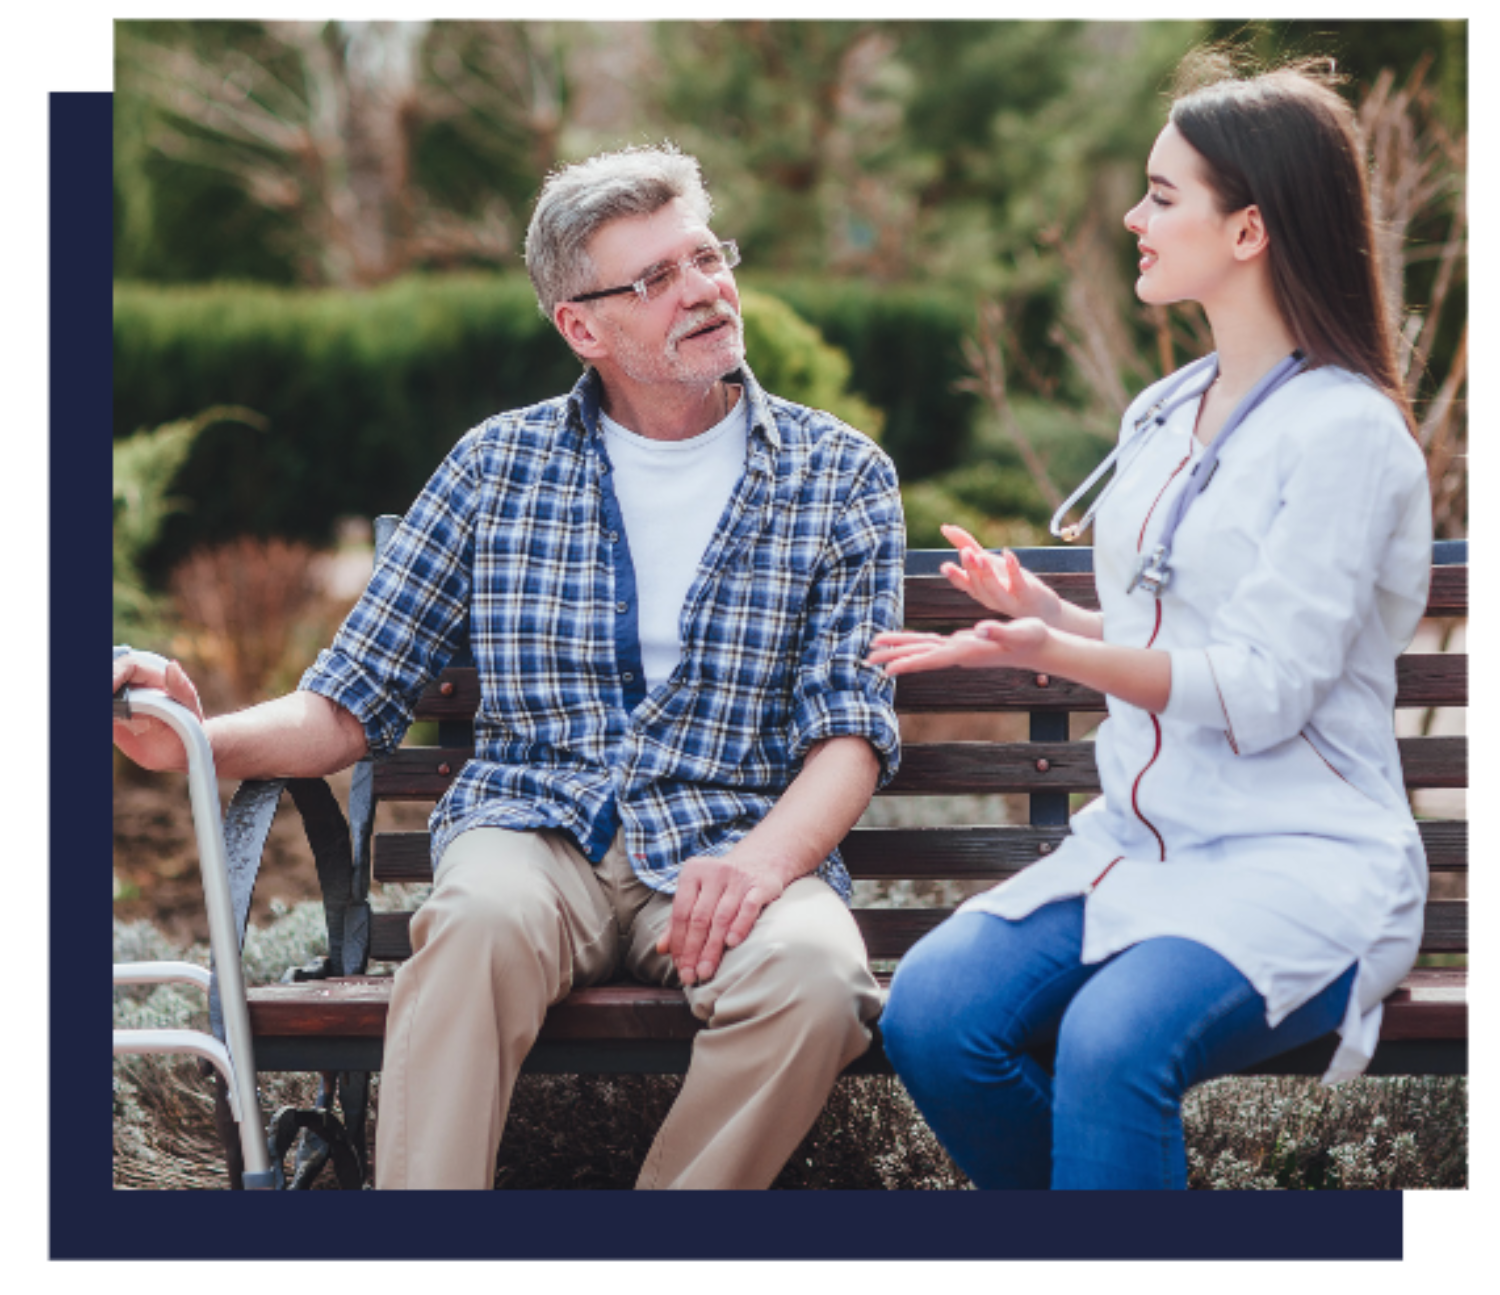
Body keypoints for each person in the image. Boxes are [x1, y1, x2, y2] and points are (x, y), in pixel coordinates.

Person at [114, 143, 904, 1190]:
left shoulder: (838, 474)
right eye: (656, 278)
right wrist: (190, 738)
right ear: (583, 326)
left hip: (733, 840)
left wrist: (764, 864)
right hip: (535, 836)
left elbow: (849, 729)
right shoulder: (498, 465)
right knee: (476, 921)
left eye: (707, 258)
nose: (705, 291)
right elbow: (350, 701)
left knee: (818, 973)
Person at [867, 54, 1433, 1191]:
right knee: (932, 1016)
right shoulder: (1165, 409)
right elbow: (1173, 628)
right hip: (1139, 847)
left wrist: (1059, 649)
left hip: (1302, 862)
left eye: (1163, 195)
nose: (1134, 216)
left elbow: (1264, 688)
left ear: (1249, 231)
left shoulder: (1347, 435)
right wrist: (1044, 610)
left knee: (1114, 1040)